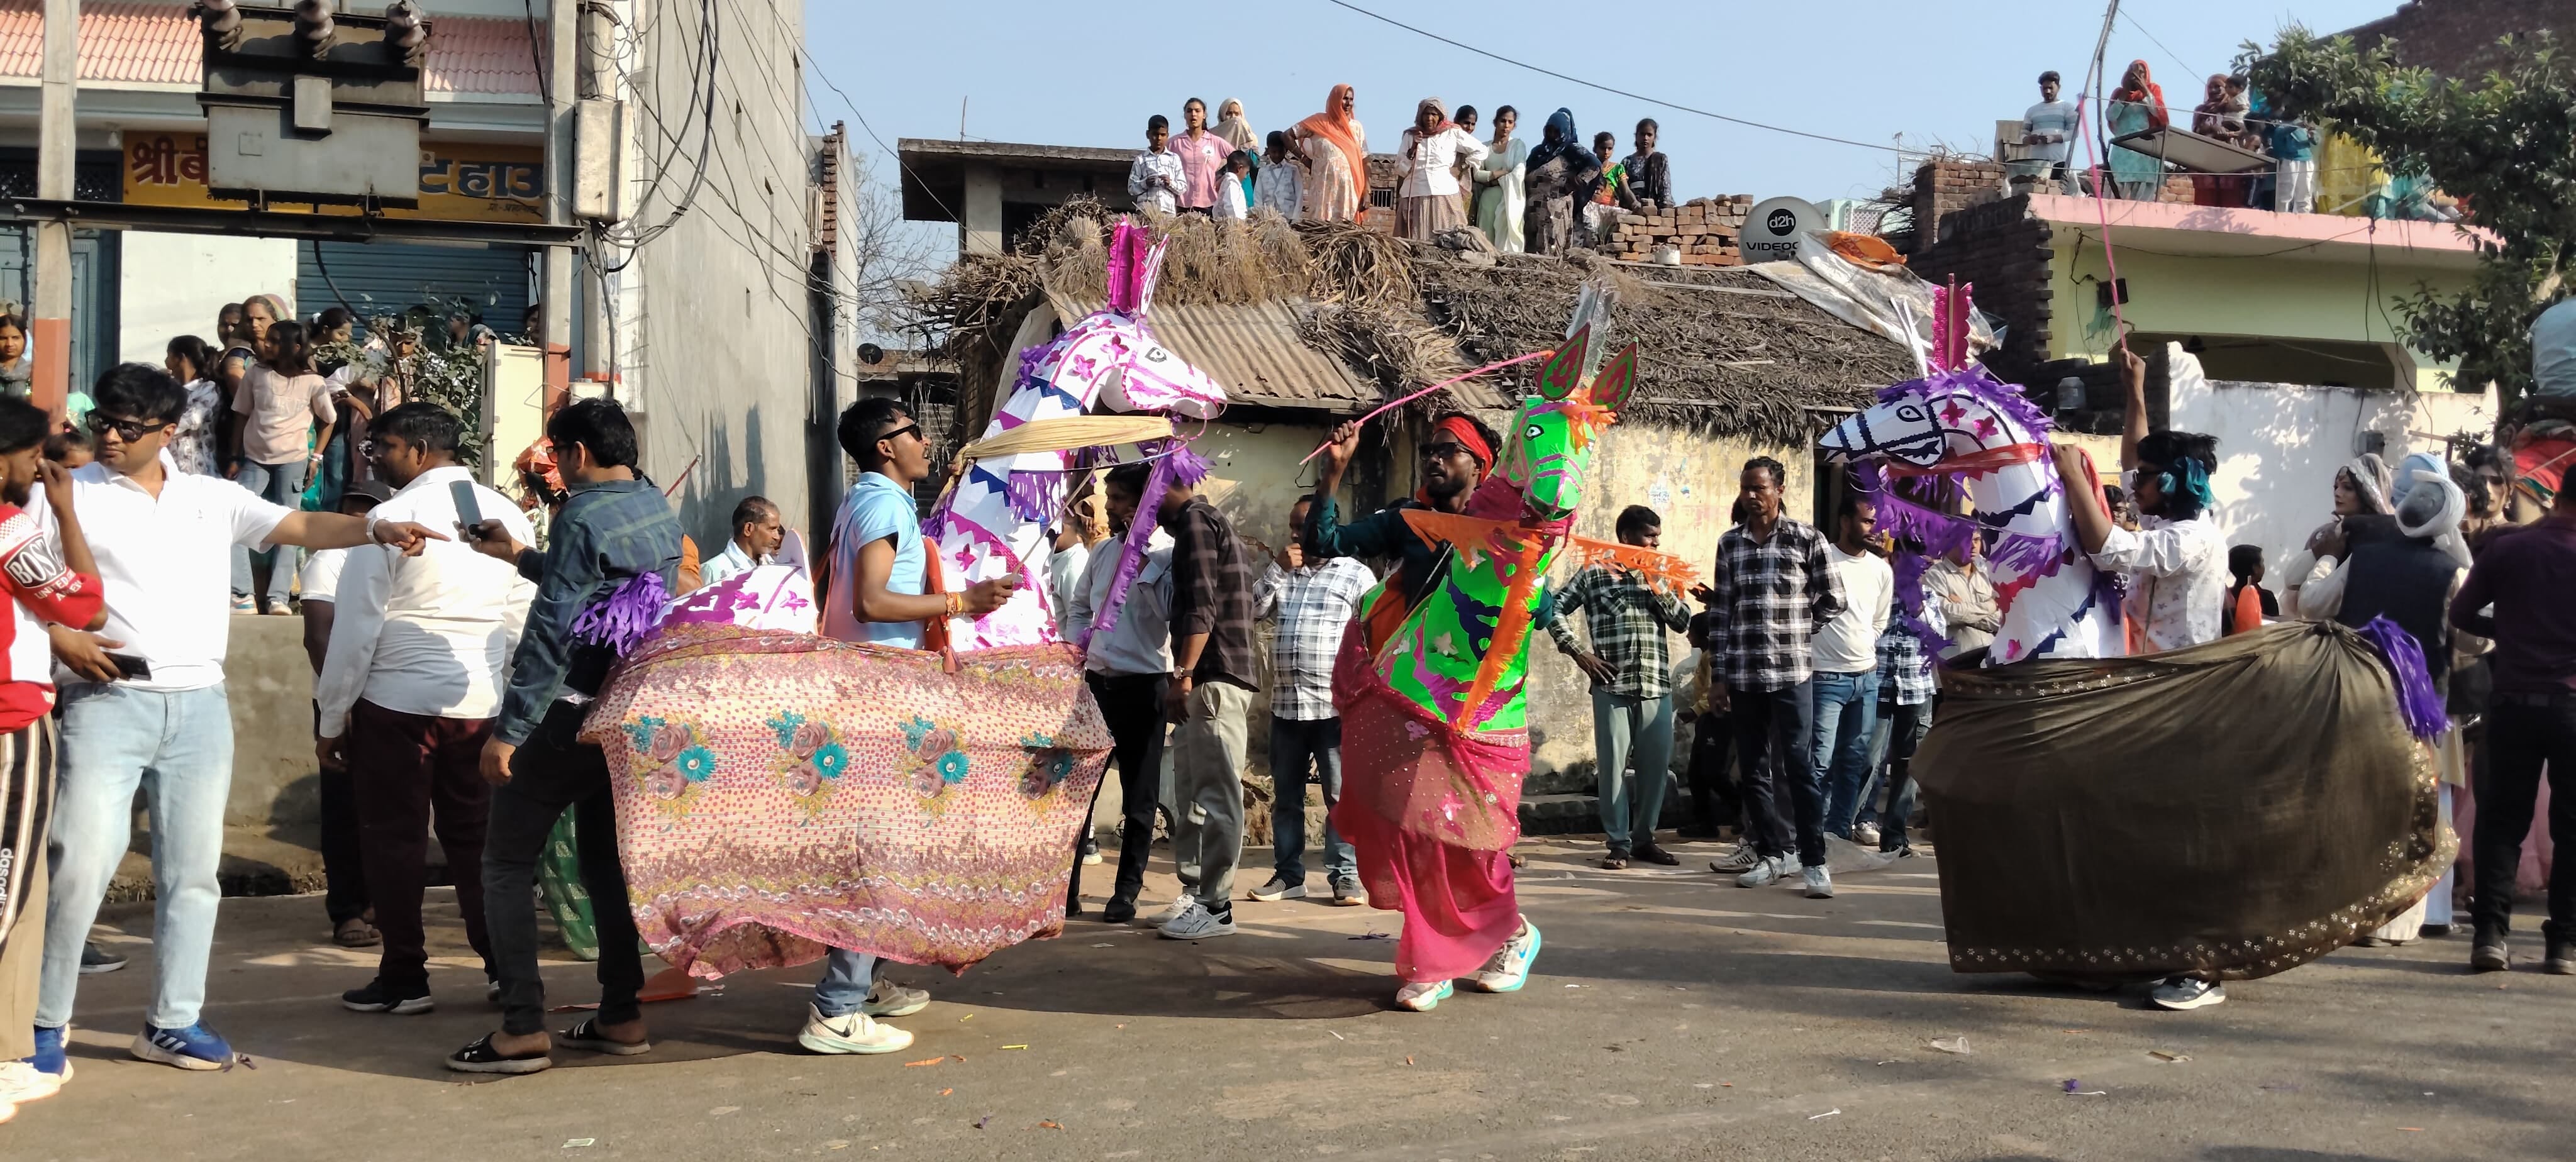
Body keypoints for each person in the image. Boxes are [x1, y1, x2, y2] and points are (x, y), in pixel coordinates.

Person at [32, 363, 442, 1073]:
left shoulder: (209, 498)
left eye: (127, 427)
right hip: (106, 702)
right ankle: (42, 1023)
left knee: (193, 875)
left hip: (200, 706)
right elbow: (22, 577)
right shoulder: (68, 493)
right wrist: (57, 635)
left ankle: (172, 1021)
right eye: (102, 422)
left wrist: (377, 527)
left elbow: (300, 524)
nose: (110, 437)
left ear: (168, 431)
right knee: (80, 867)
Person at [443, 398, 678, 1074]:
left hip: (565, 714)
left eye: (556, 454)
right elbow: (599, 591)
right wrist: (520, 555)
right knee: (603, 864)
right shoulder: (654, 504)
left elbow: (552, 628)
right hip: (623, 712)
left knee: (505, 864)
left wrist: (510, 731)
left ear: (577, 454)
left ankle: (521, 1027)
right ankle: (621, 1014)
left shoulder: (580, 513)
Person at [776, 397, 1013, 1053]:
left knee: (885, 847)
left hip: (871, 693)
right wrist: (962, 601)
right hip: (878, 701)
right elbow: (872, 601)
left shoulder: (872, 502)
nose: (925, 443)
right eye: (914, 432)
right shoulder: (881, 504)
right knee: (879, 854)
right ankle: (836, 1010)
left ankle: (867, 981)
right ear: (886, 446)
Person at [311, 405, 535, 1015]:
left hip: (396, 703)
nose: (372, 459)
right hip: (478, 703)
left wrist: (332, 718)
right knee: (478, 841)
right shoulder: (509, 514)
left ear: (416, 450)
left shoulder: (387, 521)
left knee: (394, 840)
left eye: (380, 447)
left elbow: (356, 630)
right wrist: (510, 701)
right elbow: (520, 621)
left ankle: (405, 975)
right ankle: (503, 969)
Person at [2054, 355, 2230, 1010]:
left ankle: (2199, 964)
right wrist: (2134, 391)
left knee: (2178, 837)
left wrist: (2075, 477)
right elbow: (2134, 460)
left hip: (2184, 698)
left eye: (2148, 480)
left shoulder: (2193, 540)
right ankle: (2127, 952)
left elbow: (2108, 549)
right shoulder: (2162, 519)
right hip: (2145, 692)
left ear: (2174, 484)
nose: (2133, 485)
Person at [0, 397, 107, 1123]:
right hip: (12, 723)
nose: (40, 466)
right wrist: (66, 516)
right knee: (8, 891)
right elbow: (85, 608)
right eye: (33, 454)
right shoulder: (12, 530)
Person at [2448, 463, 2576, 977]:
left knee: (2501, 822)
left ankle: (2490, 937)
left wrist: (2509, 627)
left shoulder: (2510, 548)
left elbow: (2461, 615)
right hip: (2572, 706)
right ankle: (2563, 945)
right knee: (2573, 827)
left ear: (2557, 496)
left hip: (2512, 701)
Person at [1700, 457, 1845, 897]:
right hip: (1744, 675)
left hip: (1792, 673)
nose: (1750, 496)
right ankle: (1771, 854)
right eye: (1745, 488)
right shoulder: (1730, 544)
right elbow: (1721, 613)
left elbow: (1834, 598)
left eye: (1759, 488)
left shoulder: (1806, 538)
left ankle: (1813, 861)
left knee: (1799, 767)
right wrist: (1719, 676)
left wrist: (1800, 628)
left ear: (1779, 490)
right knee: (1754, 770)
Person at [1134, 458, 1255, 942]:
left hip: (1213, 677)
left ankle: (1217, 906)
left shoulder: (1197, 523)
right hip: (1205, 679)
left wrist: (1182, 675)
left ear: (1166, 487)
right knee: (1194, 796)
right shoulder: (1197, 524)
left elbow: (1201, 606)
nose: (1143, 512)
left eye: (1144, 499)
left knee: (1217, 795)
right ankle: (1196, 894)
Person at [1549, 504, 1694, 869]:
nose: (1655, 543)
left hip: (1656, 686)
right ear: (1627, 536)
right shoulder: (1595, 571)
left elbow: (1682, 621)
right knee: (1613, 770)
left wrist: (1657, 583)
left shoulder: (1663, 573)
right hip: (1612, 686)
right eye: (1649, 536)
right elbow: (1553, 609)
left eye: (1658, 536)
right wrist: (1578, 652)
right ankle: (1618, 844)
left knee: (1655, 771)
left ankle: (1645, 840)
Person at [1061, 470, 1174, 920]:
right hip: (1097, 685)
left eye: (1119, 498)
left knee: (1139, 796)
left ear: (1145, 502)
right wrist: (1078, 651)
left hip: (1145, 687)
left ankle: (1125, 893)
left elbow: (1171, 612)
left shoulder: (1167, 553)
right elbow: (1079, 607)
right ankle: (1066, 893)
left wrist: (1145, 563)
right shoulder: (1104, 551)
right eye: (1109, 496)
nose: (1108, 506)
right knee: (1079, 794)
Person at [1249, 496, 1374, 904]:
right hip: (1287, 707)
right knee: (1286, 799)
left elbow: (1374, 638)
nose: (1295, 534)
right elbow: (1250, 611)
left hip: (1334, 709)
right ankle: (1289, 876)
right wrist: (1277, 569)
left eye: (1302, 526)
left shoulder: (1356, 575)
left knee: (1339, 797)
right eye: (1292, 525)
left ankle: (1345, 875)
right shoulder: (1286, 571)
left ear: (1326, 527)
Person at [298, 479, 392, 952]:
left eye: (368, 512)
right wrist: (342, 704)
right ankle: (349, 910)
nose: (358, 520)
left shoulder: (391, 556)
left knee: (389, 807)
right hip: (345, 700)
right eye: (351, 511)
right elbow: (318, 636)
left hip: (392, 698)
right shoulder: (328, 560)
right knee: (345, 811)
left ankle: (380, 902)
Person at [1307, 412, 1501, 617]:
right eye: (1429, 451)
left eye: (1447, 450)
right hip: (1416, 638)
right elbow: (1321, 541)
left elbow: (1528, 606)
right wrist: (1335, 469)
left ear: (1478, 466)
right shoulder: (1407, 520)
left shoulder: (1502, 531)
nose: (1433, 459)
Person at [228, 318, 336, 614]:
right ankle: (242, 595)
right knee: (235, 518)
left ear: (296, 347)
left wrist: (316, 458)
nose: (267, 344)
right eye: (269, 340)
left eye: (275, 341)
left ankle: (278, 598)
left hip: (294, 461)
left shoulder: (313, 382)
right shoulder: (256, 374)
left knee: (289, 528)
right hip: (254, 460)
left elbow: (329, 420)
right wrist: (234, 457)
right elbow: (241, 414)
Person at [1814, 495, 1892, 843]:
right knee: (1819, 761)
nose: (1875, 529)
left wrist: (1861, 648)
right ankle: (1809, 836)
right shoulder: (1821, 562)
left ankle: (1838, 833)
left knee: (1854, 761)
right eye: (1867, 521)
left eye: (1877, 522)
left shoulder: (1881, 570)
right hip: (1824, 678)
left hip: (1867, 679)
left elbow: (1878, 621)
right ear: (1845, 522)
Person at [1858, 566, 1941, 855]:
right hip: (1877, 683)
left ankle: (1894, 836)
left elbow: (1938, 635)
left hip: (1916, 686)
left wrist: (1918, 607)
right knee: (1869, 759)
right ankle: (1849, 824)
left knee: (1909, 764)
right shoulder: (1876, 591)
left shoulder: (1928, 595)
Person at [2280, 453, 2394, 618]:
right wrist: (2320, 552)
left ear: (2367, 494)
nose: (2338, 493)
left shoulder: (2373, 542)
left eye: (2347, 488)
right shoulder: (2334, 534)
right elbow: (2291, 579)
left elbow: (2311, 604)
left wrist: (2329, 557)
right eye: (2336, 487)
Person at [1393, 98, 1489, 242]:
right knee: (1414, 244)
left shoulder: (1452, 133)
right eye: (1426, 114)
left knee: (1448, 242)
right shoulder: (1411, 135)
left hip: (1444, 194)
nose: (1429, 118)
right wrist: (1412, 150)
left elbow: (1481, 151)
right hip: (1414, 196)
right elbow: (1400, 169)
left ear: (1441, 116)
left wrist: (1461, 167)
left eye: (1434, 114)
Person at [1522, 109, 1601, 256]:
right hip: (1532, 212)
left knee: (1550, 255)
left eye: (1557, 131)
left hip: (1554, 211)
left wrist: (1578, 180)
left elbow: (1595, 166)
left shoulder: (1571, 150)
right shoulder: (1538, 152)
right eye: (1549, 131)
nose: (1552, 135)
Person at [1294, 84, 1368, 223]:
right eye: (1344, 98)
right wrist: (1305, 160)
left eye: (1351, 99)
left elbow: (1365, 160)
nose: (1348, 103)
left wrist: (1367, 191)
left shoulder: (1356, 127)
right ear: (1335, 99)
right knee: (1321, 226)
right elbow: (1287, 136)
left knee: (1346, 228)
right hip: (1323, 190)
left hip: (1349, 191)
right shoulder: (1318, 122)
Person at [1923, 544, 2001, 660]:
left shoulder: (1986, 574)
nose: (1973, 546)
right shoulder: (1935, 575)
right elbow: (1946, 614)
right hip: (1957, 660)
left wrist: (1963, 610)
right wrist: (1991, 606)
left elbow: (2002, 620)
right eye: (1967, 541)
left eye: (1977, 540)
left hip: (1991, 656)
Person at [162, 336, 225, 479]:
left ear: (180, 358)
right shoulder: (169, 389)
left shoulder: (208, 389)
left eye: (168, 356)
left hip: (199, 468)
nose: (166, 362)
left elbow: (194, 419)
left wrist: (157, 429)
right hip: (172, 466)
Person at [2108, 60, 2170, 201]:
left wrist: (2145, 90)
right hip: (2123, 150)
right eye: (2132, 71)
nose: (2136, 75)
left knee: (2143, 195)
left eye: (2141, 72)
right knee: (2116, 192)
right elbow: (2111, 116)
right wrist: (2125, 93)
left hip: (2146, 150)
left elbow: (2159, 113)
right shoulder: (2119, 93)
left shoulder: (2153, 89)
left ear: (2146, 75)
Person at [1474, 105, 1528, 255]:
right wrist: (1500, 173)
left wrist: (1491, 179)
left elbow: (1518, 173)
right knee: (1485, 244)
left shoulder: (1517, 146)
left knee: (1505, 248)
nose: (1506, 125)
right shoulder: (1484, 148)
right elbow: (1477, 174)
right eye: (1503, 121)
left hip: (1509, 200)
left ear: (1514, 125)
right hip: (1488, 199)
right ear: (1495, 122)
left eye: (1510, 122)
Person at [699, 495, 783, 589]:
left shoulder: (773, 567)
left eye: (777, 530)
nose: (777, 537)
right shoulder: (714, 571)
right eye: (772, 529)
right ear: (748, 529)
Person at [1170, 98, 1235, 216]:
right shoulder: (1174, 143)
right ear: (1184, 115)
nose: (1193, 114)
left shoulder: (1215, 142)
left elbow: (1238, 160)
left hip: (1210, 203)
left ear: (1204, 115)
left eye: (1197, 111)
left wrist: (1223, 178)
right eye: (1189, 111)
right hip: (1182, 203)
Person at [2023, 72, 2079, 194]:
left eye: (2051, 88)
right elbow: (2023, 135)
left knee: (2057, 193)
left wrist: (2054, 138)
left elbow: (2074, 133)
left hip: (2058, 162)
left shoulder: (2067, 107)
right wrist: (2029, 139)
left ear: (2059, 87)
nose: (2047, 91)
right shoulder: (2032, 111)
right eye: (2044, 88)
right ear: (2040, 89)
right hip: (2036, 163)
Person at [1584, 130, 1640, 246]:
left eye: (1610, 149)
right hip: (1591, 209)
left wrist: (1634, 203)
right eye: (1603, 148)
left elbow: (1626, 190)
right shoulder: (1588, 166)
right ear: (1595, 149)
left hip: (1609, 211)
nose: (1606, 152)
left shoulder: (1617, 169)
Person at [1126, 115, 1184, 217]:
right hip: (1145, 211)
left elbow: (1183, 187)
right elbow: (1131, 188)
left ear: (1167, 135)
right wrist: (1145, 183)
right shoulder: (1141, 160)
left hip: (1168, 211)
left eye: (1163, 135)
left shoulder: (1174, 159)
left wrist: (1170, 183)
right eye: (1155, 134)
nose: (1159, 138)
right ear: (1148, 135)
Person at [2223, 544, 2280, 634]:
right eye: (2262, 563)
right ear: (2255, 568)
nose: (2264, 566)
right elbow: (2275, 629)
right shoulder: (2266, 597)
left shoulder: (2226, 598)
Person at [1253, 131, 1305, 219]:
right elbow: (1258, 196)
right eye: (1273, 152)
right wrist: (1261, 217)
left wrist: (1295, 218)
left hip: (1289, 217)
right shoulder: (1262, 172)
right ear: (1268, 150)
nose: (1277, 155)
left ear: (1286, 150)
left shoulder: (1293, 170)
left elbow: (1299, 194)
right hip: (1268, 219)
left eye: (1280, 152)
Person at [1623, 118, 1672, 209]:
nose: (1645, 138)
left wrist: (1666, 211)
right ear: (1636, 136)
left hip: (1654, 209)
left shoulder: (1660, 159)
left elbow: (1665, 190)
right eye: (1642, 134)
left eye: (1649, 135)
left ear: (1655, 137)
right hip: (1631, 210)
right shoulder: (1627, 161)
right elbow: (1621, 189)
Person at [1214, 150, 1254, 221]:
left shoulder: (1229, 182)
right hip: (1233, 224)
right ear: (1239, 169)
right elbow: (1231, 206)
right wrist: (1237, 224)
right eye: (1246, 173)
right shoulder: (1232, 184)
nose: (1245, 177)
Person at [0, 314, 30, 399]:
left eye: (16, 338)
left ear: (25, 339)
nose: (9, 344)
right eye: (3, 338)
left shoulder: (33, 371)